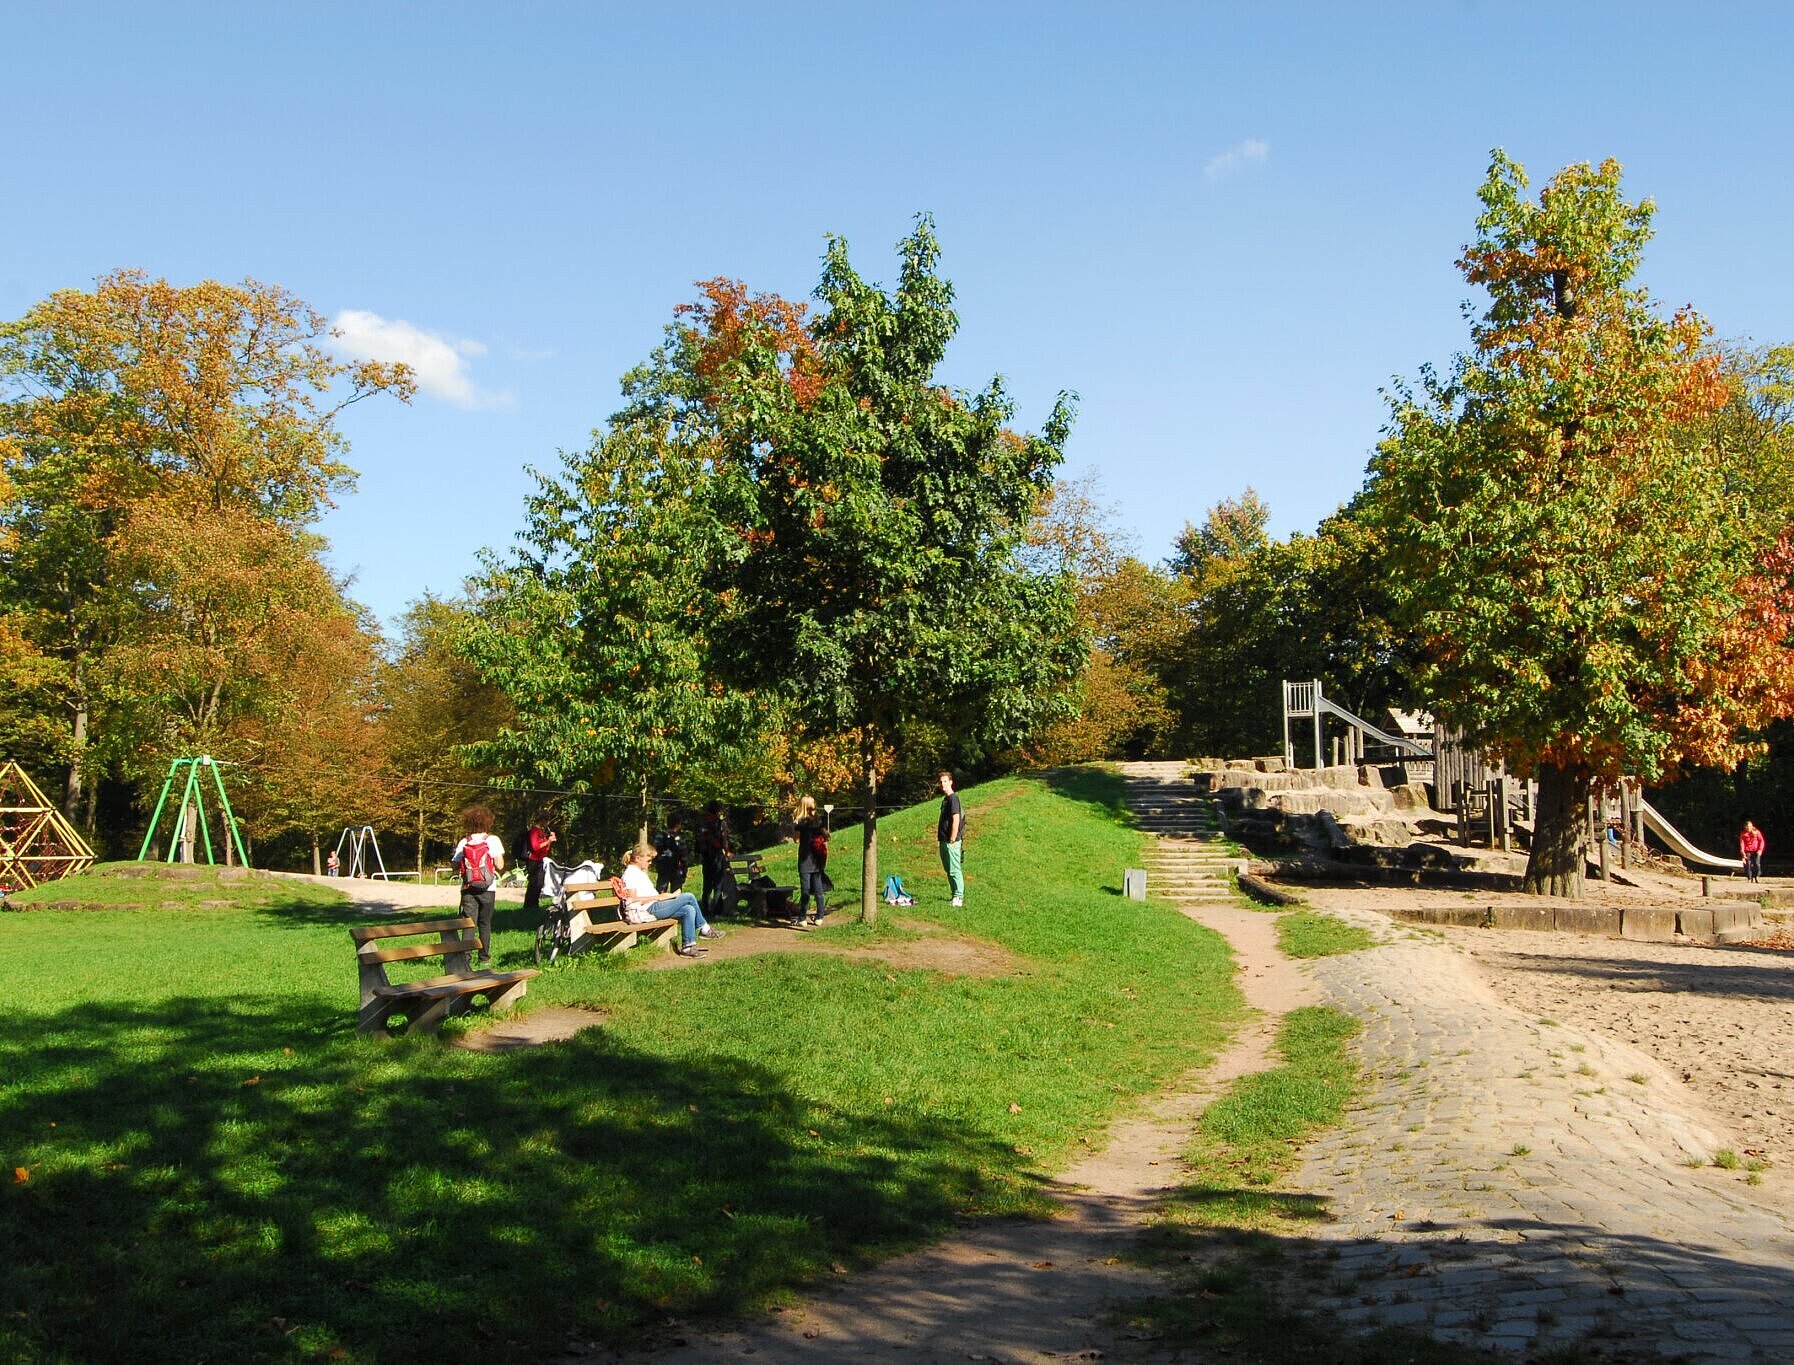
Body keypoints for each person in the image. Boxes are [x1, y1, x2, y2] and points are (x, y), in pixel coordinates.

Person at [619, 842, 723, 957]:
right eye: (648, 860)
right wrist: (660, 897)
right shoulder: (631, 874)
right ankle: (704, 929)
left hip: (653, 906)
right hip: (647, 909)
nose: (650, 863)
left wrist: (664, 897)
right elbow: (632, 899)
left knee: (688, 909)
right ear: (638, 858)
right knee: (689, 897)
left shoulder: (639, 872)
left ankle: (687, 948)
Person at [451, 805, 505, 968]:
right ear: (488, 822)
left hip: (468, 888)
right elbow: (500, 865)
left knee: (468, 923)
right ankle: (484, 958)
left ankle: (465, 958)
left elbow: (455, 864)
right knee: (485, 923)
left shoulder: (464, 841)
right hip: (488, 888)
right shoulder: (492, 840)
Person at [790, 795, 830, 927]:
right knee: (818, 889)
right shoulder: (819, 821)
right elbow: (827, 837)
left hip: (804, 858)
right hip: (817, 858)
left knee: (805, 889)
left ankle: (802, 918)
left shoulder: (800, 822)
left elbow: (796, 840)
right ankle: (819, 917)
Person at [696, 801, 733, 918]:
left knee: (707, 885)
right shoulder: (720, 823)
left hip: (705, 856)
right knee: (718, 885)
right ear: (718, 810)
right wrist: (727, 851)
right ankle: (716, 911)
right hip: (717, 855)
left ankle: (705, 910)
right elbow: (724, 838)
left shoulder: (701, 823)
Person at [937, 770, 965, 907]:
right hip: (943, 840)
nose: (943, 784)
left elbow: (956, 819)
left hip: (951, 841)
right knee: (949, 870)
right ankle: (954, 895)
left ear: (951, 782)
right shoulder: (945, 800)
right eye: (941, 782)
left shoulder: (954, 798)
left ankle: (959, 897)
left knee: (955, 870)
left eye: (945, 781)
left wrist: (953, 838)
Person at [522, 815, 558, 915]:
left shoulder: (541, 832)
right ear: (541, 820)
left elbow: (545, 849)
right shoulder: (534, 831)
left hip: (540, 859)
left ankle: (534, 904)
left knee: (539, 883)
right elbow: (535, 847)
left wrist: (549, 841)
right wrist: (548, 841)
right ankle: (529, 905)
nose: (547, 823)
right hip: (533, 860)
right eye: (546, 821)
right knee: (534, 883)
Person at [653, 814, 690, 892]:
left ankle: (660, 903)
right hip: (676, 867)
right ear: (678, 824)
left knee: (661, 891)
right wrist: (684, 869)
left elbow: (655, 851)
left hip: (663, 867)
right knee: (676, 893)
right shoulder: (680, 838)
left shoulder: (660, 835)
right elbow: (684, 855)